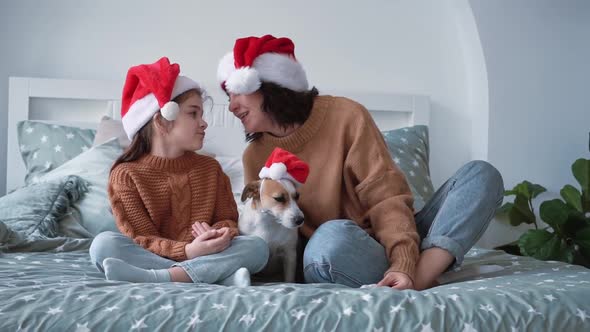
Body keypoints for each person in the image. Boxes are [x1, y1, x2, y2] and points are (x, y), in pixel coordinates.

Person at [217, 35, 504, 290]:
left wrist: (403, 260)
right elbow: (265, 231)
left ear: (270, 87)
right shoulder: (254, 156)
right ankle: (424, 274)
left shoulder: (346, 116)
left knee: (481, 175)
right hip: (335, 252)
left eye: (236, 93)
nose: (231, 106)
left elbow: (386, 197)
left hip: (395, 239)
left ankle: (420, 274)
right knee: (331, 238)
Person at [89, 57, 269, 286]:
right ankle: (213, 275)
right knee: (104, 245)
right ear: (162, 121)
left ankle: (164, 278)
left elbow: (227, 220)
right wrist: (188, 251)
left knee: (257, 247)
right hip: (155, 255)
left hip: (206, 253)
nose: (203, 123)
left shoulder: (210, 170)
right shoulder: (126, 175)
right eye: (193, 113)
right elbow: (141, 238)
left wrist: (215, 235)